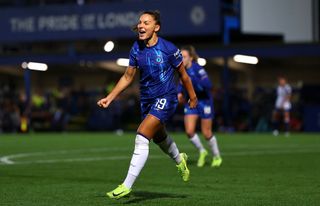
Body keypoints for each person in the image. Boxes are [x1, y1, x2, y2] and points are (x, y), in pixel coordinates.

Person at [97, 11, 197, 199]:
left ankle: (126, 185)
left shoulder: (168, 49)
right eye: (140, 22)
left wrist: (192, 97)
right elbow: (128, 76)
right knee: (160, 137)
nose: (141, 26)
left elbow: (184, 75)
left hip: (166, 97)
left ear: (156, 27)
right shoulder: (136, 48)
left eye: (146, 22)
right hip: (147, 101)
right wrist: (110, 97)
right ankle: (179, 159)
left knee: (142, 136)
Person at [178, 45, 222, 168]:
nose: (182, 59)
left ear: (191, 58)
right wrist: (179, 93)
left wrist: (192, 79)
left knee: (206, 133)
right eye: (180, 56)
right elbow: (181, 85)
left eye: (184, 57)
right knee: (189, 131)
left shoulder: (198, 69)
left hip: (204, 102)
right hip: (192, 102)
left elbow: (208, 85)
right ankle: (202, 151)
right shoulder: (182, 71)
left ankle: (217, 156)